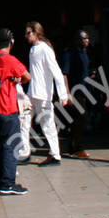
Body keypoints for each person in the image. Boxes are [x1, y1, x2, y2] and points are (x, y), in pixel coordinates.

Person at [0, 28, 31, 195]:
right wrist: (16, 79)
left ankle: (1, 181)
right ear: (11, 43)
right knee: (11, 146)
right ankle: (8, 184)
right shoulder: (9, 60)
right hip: (8, 108)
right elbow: (27, 76)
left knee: (0, 146)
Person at [24, 21, 69, 164]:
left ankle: (55, 154)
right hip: (32, 92)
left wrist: (62, 94)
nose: (26, 36)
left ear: (36, 33)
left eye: (28, 33)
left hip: (43, 94)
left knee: (47, 125)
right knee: (24, 121)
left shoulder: (45, 49)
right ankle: (25, 152)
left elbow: (56, 71)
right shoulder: (33, 50)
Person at [60, 30, 96, 159]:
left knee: (78, 119)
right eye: (84, 39)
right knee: (81, 117)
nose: (87, 41)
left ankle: (72, 146)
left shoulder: (85, 52)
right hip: (74, 90)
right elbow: (65, 73)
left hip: (84, 90)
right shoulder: (69, 53)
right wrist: (67, 93)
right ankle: (77, 147)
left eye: (87, 38)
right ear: (78, 40)